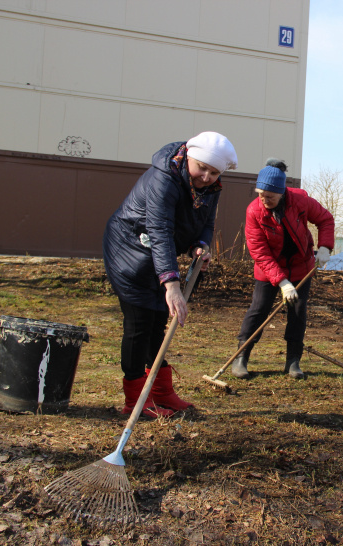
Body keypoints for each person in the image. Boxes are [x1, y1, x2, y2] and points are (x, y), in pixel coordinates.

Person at [103, 131, 238, 418]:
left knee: (157, 323)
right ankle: (135, 403)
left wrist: (200, 246)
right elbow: (160, 228)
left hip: (158, 254)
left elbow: (206, 222)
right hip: (130, 249)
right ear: (190, 155)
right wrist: (172, 283)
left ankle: (162, 393)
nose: (206, 176)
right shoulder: (163, 178)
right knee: (140, 324)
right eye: (202, 167)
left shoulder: (211, 188)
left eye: (214, 172)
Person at [229, 159, 335, 380]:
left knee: (298, 312)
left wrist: (325, 247)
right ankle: (241, 357)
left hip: (301, 266)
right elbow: (259, 252)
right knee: (258, 309)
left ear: (282, 193)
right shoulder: (254, 211)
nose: (264, 200)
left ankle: (293, 361)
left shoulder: (300, 201)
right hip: (268, 270)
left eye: (270, 197)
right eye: (261, 195)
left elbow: (325, 219)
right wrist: (282, 282)